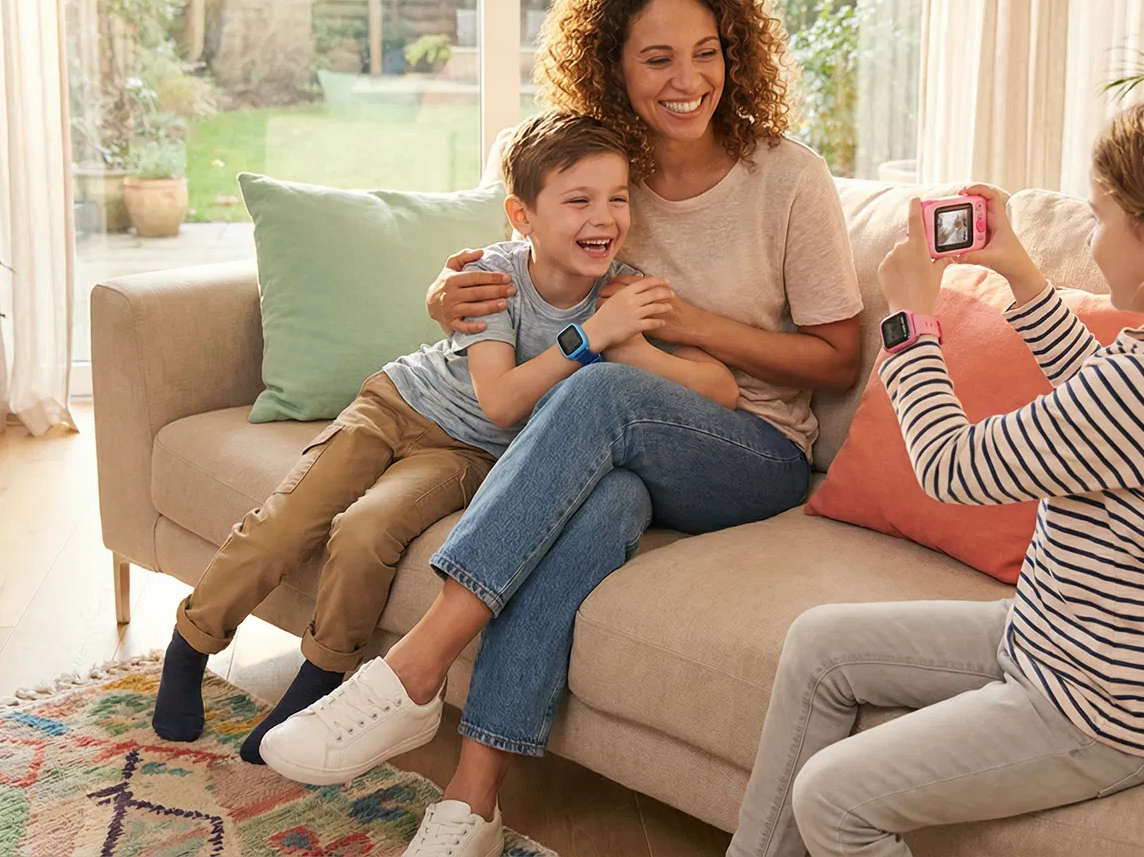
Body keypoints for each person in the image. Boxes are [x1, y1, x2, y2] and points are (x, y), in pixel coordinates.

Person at [257, 0, 865, 857]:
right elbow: (514, 260)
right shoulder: (606, 175)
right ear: (614, 67)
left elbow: (835, 358)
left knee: (604, 389)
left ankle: (413, 671)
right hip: (629, 456)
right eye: (656, 58)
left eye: (706, 52)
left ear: (734, 54)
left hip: (753, 454)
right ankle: (472, 804)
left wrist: (687, 321)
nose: (686, 79)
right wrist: (443, 293)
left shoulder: (788, 177)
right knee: (599, 504)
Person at [726, 82, 1144, 856]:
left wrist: (911, 324)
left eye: (1099, 213)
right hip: (1067, 646)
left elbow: (952, 468)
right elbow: (1098, 402)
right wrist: (1020, 275)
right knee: (820, 647)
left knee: (833, 800)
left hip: (1100, 709)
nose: (1090, 230)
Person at [150, 111, 737, 764]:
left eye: (617, 198)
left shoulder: (620, 293)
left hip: (471, 454)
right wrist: (592, 339)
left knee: (366, 530)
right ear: (522, 217)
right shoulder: (492, 277)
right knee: (291, 519)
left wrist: (631, 346)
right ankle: (191, 642)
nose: (603, 217)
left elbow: (721, 390)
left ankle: (316, 686)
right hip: (398, 403)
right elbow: (503, 397)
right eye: (579, 201)